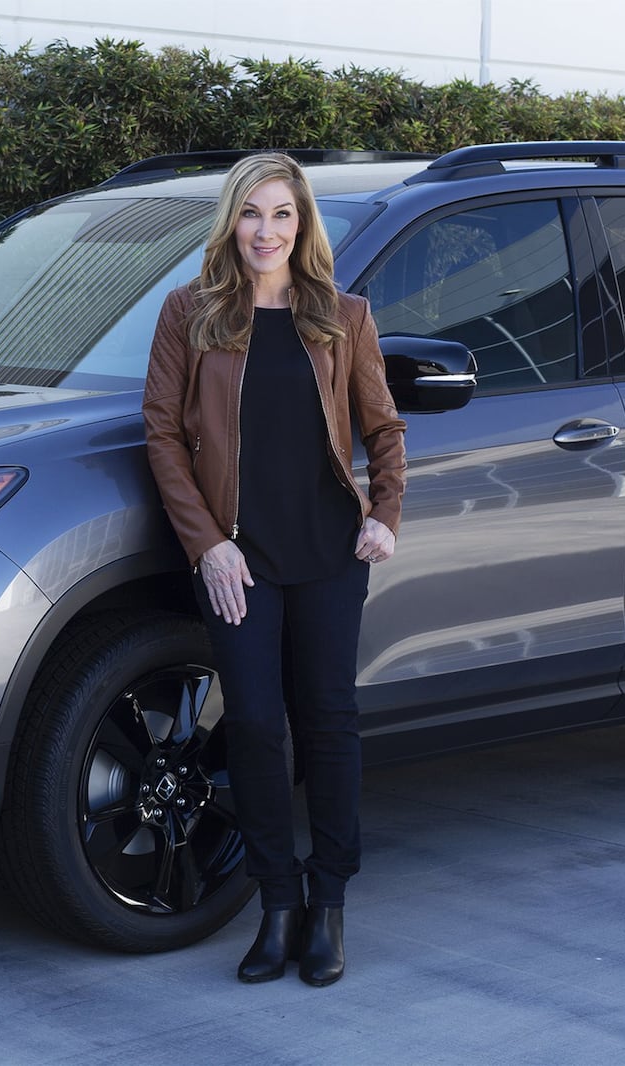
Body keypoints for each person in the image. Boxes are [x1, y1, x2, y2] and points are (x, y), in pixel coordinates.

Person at [142, 152, 407, 987]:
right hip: (238, 559)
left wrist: (386, 514)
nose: (266, 230)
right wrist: (206, 544)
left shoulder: (342, 315)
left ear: (302, 225)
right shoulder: (190, 313)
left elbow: (385, 428)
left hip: (330, 550)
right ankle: (277, 904)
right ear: (232, 221)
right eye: (252, 213)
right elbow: (161, 435)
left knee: (329, 720)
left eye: (282, 214)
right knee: (255, 725)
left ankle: (327, 907)